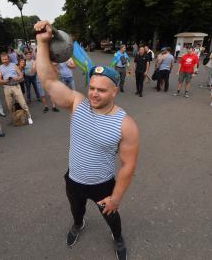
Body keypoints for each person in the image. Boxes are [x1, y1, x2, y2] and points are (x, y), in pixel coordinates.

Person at [34, 20, 139, 260]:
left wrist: (116, 197)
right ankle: (78, 224)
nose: (94, 93)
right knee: (76, 209)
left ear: (114, 91)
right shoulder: (77, 104)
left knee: (111, 215)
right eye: (91, 87)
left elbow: (128, 166)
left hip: (103, 183)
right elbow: (49, 81)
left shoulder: (126, 124)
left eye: (101, 90)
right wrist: (41, 43)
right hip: (74, 179)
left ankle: (118, 236)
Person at [0, 52, 33, 124]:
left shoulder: (14, 65)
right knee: (9, 105)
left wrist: (17, 78)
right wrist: (5, 80)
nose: (5, 61)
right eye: (3, 59)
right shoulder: (0, 67)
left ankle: (29, 117)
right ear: (1, 60)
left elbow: (21, 75)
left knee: (22, 103)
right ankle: (14, 118)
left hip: (15, 86)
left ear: (9, 59)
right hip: (7, 87)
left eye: (6, 59)